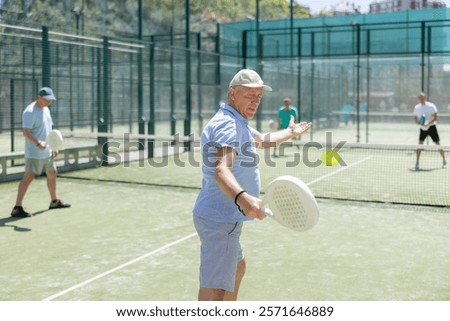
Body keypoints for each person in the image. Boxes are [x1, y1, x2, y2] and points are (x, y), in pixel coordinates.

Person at [192, 69, 311, 301]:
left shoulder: (238, 121)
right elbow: (221, 170)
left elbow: (263, 141)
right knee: (215, 288)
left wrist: (291, 132)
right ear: (232, 93)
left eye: (259, 96)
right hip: (221, 218)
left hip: (224, 218)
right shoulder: (229, 125)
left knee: (238, 267)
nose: (255, 101)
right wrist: (245, 200)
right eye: (249, 95)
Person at [11, 87, 71, 218]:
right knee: (28, 177)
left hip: (47, 151)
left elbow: (49, 129)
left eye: (50, 100)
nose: (49, 102)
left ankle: (54, 201)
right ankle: (17, 208)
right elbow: (25, 133)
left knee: (52, 172)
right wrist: (38, 143)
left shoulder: (46, 109)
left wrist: (54, 146)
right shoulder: (29, 112)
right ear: (39, 97)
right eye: (46, 99)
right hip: (34, 153)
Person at [413, 92, 447, 171]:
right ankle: (417, 163)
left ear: (425, 98)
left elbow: (435, 117)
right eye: (419, 98)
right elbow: (415, 117)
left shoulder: (431, 106)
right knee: (419, 145)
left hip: (431, 127)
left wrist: (428, 123)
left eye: (422, 97)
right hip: (422, 128)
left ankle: (444, 161)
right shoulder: (417, 107)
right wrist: (418, 122)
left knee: (438, 144)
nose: (421, 99)